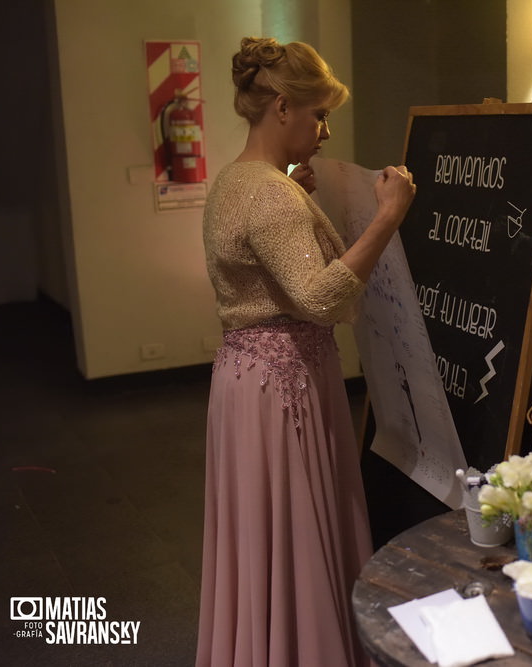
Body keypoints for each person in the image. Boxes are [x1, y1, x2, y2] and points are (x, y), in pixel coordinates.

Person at [197, 36, 415, 667]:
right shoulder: (267, 193)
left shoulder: (245, 181)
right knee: (288, 535)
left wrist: (297, 189)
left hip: (258, 379)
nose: (325, 129)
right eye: (319, 113)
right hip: (279, 386)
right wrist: (387, 218)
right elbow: (318, 298)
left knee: (270, 540)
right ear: (283, 107)